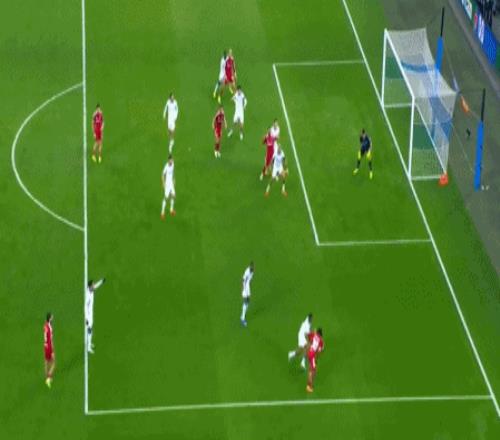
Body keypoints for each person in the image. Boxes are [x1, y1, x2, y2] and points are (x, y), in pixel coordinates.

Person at [86, 278, 106, 354]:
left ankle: (89, 343)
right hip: (88, 315)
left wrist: (101, 281)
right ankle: (88, 348)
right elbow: (85, 307)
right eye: (92, 285)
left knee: (90, 330)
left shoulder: (91, 290)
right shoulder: (87, 295)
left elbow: (96, 286)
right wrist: (86, 318)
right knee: (89, 330)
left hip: (90, 314)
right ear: (90, 286)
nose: (94, 286)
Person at [306, 327, 324, 393]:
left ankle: (309, 383)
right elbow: (319, 352)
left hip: (309, 352)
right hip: (312, 355)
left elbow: (307, 335)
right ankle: (309, 386)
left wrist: (309, 342)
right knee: (312, 371)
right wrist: (316, 359)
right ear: (321, 334)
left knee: (313, 370)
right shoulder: (321, 342)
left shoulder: (313, 334)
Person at [240, 262, 254, 327]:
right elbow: (243, 280)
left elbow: (249, 280)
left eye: (253, 267)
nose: (253, 268)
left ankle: (243, 313)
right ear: (249, 266)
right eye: (252, 267)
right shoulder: (247, 272)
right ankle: (242, 318)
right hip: (245, 288)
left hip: (248, 287)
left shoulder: (252, 272)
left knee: (248, 301)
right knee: (246, 301)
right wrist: (243, 289)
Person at [43, 313, 55, 388]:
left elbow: (45, 337)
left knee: (46, 362)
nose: (53, 318)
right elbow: (50, 339)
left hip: (45, 346)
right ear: (49, 318)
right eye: (52, 317)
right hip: (49, 347)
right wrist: (52, 348)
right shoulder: (50, 328)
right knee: (53, 363)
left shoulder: (45, 326)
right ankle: (48, 378)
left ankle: (46, 377)